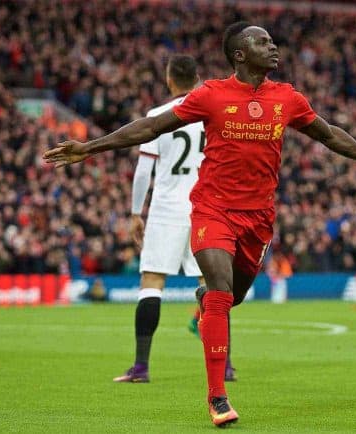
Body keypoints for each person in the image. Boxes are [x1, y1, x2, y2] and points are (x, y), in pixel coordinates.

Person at [44, 22, 356, 428]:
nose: (272, 46)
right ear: (239, 54)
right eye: (262, 41)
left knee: (230, 296)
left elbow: (328, 136)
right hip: (212, 208)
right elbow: (151, 127)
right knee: (222, 291)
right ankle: (217, 397)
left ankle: (206, 301)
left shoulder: (287, 98)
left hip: (258, 218)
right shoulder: (211, 94)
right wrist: (89, 147)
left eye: (272, 40)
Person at [111, 55, 237, 383]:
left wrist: (136, 212)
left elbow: (143, 171)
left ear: (169, 80)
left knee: (152, 282)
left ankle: (140, 367)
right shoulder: (215, 113)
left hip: (167, 209)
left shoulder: (157, 116)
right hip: (207, 209)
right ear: (197, 78)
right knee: (211, 287)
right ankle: (225, 365)